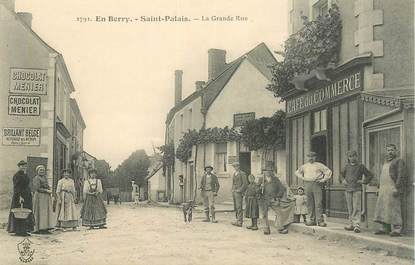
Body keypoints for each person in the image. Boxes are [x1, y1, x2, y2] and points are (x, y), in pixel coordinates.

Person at [373, 144, 407, 237]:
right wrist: (378, 188)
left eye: (392, 150)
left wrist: (397, 187)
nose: (390, 152)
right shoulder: (385, 162)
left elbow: (401, 175)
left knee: (395, 209)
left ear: (396, 151)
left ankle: (397, 229)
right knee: (383, 208)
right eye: (388, 150)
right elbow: (381, 176)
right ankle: (385, 228)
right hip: (383, 189)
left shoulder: (399, 161)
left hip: (392, 188)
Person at [295, 151, 332, 227]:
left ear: (315, 157)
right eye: (309, 157)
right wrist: (303, 178)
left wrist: (323, 180)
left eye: (312, 157)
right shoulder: (304, 166)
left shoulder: (319, 165)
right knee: (309, 203)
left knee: (318, 202)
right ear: (307, 157)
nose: (311, 158)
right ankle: (312, 220)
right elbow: (297, 172)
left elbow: (328, 172)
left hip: (317, 184)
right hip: (307, 184)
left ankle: (320, 220)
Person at [339, 150, 373, 233]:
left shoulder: (361, 166)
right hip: (348, 189)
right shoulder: (346, 167)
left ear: (357, 157)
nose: (352, 158)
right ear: (348, 157)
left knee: (357, 207)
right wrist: (342, 180)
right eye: (350, 156)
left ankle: (357, 225)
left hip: (357, 189)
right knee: (350, 208)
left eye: (354, 156)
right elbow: (340, 175)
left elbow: (369, 175)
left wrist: (363, 181)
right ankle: (351, 224)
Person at [260, 168, 295, 235]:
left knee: (279, 213)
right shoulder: (261, 180)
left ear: (272, 172)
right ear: (264, 172)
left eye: (269, 170)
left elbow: (281, 189)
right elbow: (257, 190)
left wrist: (277, 197)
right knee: (264, 215)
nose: (267, 172)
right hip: (264, 200)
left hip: (273, 199)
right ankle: (266, 229)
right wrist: (260, 188)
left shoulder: (275, 179)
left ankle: (280, 228)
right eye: (266, 171)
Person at [7, 160, 35, 236]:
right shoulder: (17, 175)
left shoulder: (25, 175)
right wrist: (20, 197)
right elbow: (16, 187)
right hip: (19, 196)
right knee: (19, 212)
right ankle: (18, 230)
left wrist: (30, 192)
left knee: (26, 212)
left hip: (27, 196)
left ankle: (25, 230)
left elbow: (27, 185)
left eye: (25, 166)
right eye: (22, 166)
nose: (24, 167)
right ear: (19, 166)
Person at [32, 165, 55, 234]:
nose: (42, 171)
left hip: (45, 197)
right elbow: (37, 188)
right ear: (37, 171)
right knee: (40, 212)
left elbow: (47, 186)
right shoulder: (36, 178)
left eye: (43, 170)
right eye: (40, 170)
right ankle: (39, 228)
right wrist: (46, 191)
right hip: (40, 197)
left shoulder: (45, 178)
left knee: (45, 212)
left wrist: (49, 189)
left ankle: (45, 227)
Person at [231, 162, 248, 227]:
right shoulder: (234, 174)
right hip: (234, 191)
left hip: (239, 192)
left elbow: (245, 184)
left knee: (239, 207)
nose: (235, 167)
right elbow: (233, 182)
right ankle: (237, 220)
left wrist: (240, 190)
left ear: (239, 166)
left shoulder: (242, 174)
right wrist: (232, 189)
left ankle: (240, 221)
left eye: (237, 166)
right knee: (236, 206)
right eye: (234, 166)